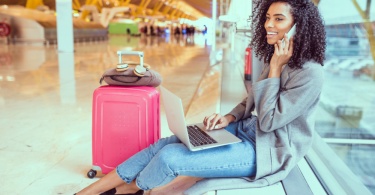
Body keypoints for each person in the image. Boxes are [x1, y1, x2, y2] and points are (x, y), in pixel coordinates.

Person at [75, 0, 326, 194]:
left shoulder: (309, 73)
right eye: (268, 18)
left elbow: (270, 121)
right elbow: (252, 101)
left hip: (266, 150)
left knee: (169, 157)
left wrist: (274, 69)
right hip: (243, 130)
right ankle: (89, 191)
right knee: (165, 143)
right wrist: (228, 117)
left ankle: (131, 188)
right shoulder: (280, 59)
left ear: (297, 27)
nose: (268, 25)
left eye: (279, 19)